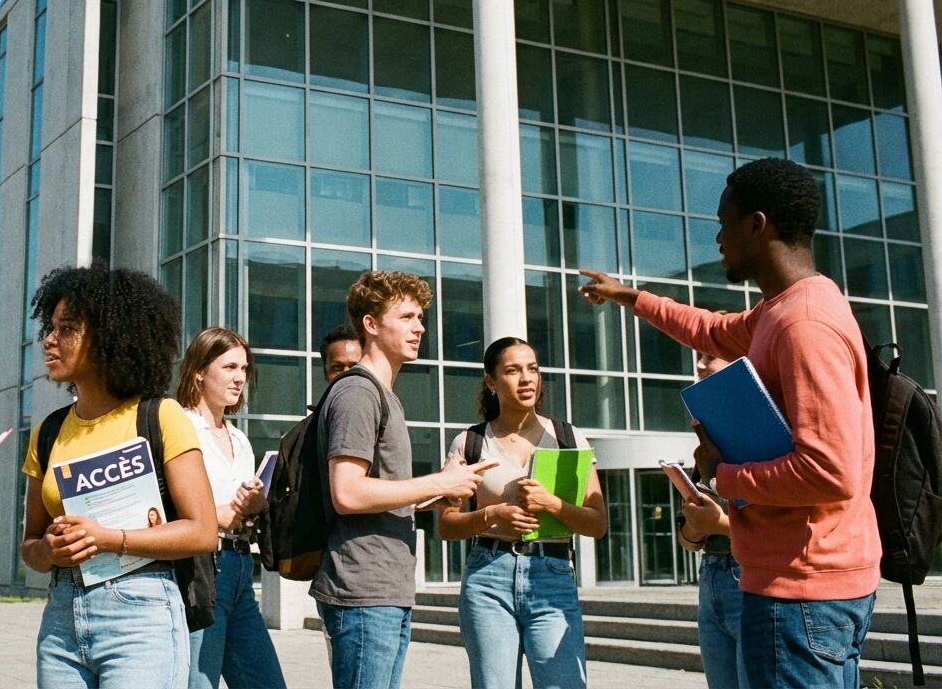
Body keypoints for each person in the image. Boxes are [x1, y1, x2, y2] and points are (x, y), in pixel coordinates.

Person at [579, 157, 879, 688]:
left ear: (757, 224)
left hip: (801, 592)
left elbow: (830, 472)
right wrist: (628, 296)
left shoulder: (804, 324)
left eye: (724, 222)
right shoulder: (782, 310)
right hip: (799, 586)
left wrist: (721, 475)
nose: (717, 238)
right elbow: (711, 329)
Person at [19, 263, 217, 688]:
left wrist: (109, 539)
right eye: (49, 327)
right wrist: (50, 551)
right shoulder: (48, 432)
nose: (49, 340)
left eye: (66, 328)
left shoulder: (160, 416)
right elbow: (30, 547)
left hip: (141, 613)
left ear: (109, 337)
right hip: (61, 617)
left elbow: (203, 533)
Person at [313, 269, 494, 689]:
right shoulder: (358, 393)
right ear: (371, 325)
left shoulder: (385, 395)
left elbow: (374, 493)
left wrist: (439, 489)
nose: (420, 327)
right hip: (363, 592)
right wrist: (439, 484)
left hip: (385, 590)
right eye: (408, 317)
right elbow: (347, 492)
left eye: (421, 317)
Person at [438, 337, 606, 689]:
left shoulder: (568, 437)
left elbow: (597, 523)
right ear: (491, 381)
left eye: (532, 369)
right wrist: (494, 514)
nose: (526, 378)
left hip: (553, 575)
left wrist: (551, 505)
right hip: (488, 578)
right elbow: (447, 525)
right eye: (513, 370)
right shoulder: (469, 443)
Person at [175, 327, 287, 689]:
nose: (240, 378)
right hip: (203, 569)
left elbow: (243, 511)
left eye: (244, 369)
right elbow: (165, 505)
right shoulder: (179, 428)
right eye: (229, 367)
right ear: (199, 372)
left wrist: (255, 504)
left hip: (240, 566)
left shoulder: (239, 438)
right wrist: (216, 515)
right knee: (199, 682)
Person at [676, 350, 747, 689]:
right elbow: (688, 541)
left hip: (749, 577)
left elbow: (780, 528)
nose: (700, 364)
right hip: (711, 577)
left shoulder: (761, 432)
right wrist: (695, 521)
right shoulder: (708, 440)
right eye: (699, 356)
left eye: (710, 356)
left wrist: (717, 524)